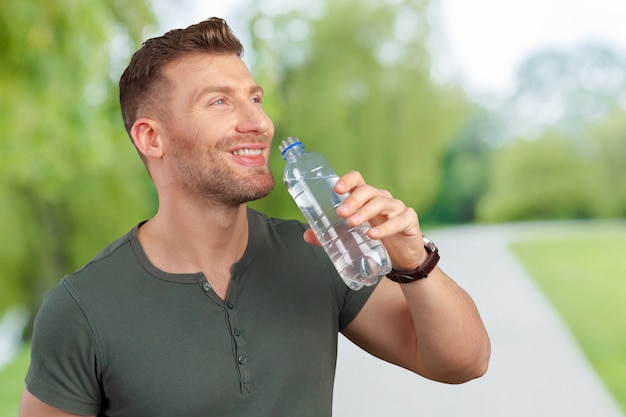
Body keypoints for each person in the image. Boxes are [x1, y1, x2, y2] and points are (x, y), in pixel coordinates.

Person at [19, 17, 490, 417]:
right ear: (151, 138)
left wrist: (414, 259)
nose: (259, 123)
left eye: (256, 98)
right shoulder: (81, 310)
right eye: (220, 101)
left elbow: (464, 362)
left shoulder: (317, 255)